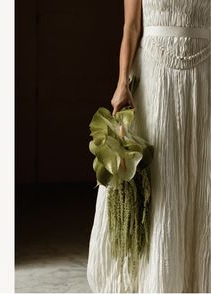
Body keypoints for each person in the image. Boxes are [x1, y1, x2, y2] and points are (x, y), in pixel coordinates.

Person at [86, 0, 211, 292]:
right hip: (156, 75)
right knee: (163, 177)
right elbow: (131, 26)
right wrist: (122, 83)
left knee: (203, 173)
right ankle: (159, 278)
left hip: (205, 76)